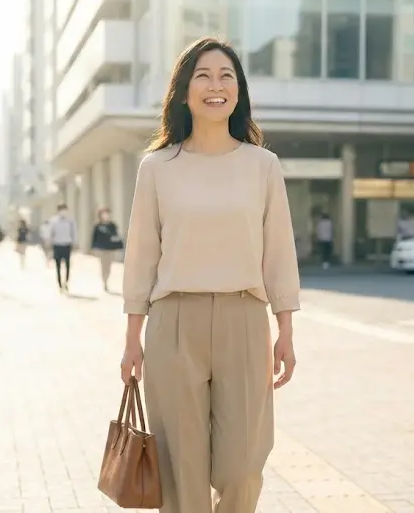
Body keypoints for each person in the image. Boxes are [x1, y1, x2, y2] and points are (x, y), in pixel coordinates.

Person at [120, 36, 300, 513]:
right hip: (172, 323)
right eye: (203, 75)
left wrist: (285, 330)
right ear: (183, 92)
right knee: (181, 471)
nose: (215, 86)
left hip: (245, 319)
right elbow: (141, 256)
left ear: (238, 91)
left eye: (227, 76)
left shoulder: (263, 166)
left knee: (243, 467)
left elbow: (279, 252)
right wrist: (131, 339)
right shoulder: (157, 167)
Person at [90, 207, 124, 292]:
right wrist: (93, 248)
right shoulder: (98, 226)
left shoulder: (112, 225)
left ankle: (106, 279)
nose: (106, 215)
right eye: (104, 214)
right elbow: (94, 238)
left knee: (108, 266)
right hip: (102, 249)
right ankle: (104, 281)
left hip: (110, 249)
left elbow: (117, 235)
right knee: (103, 265)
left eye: (107, 214)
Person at [47, 204, 76, 291]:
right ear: (58, 211)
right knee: (58, 265)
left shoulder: (70, 221)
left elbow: (74, 232)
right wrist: (49, 243)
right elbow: (50, 232)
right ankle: (59, 284)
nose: (63, 212)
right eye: (62, 210)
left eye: (65, 210)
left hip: (67, 244)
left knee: (67, 264)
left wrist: (75, 242)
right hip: (57, 244)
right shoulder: (53, 221)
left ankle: (66, 282)